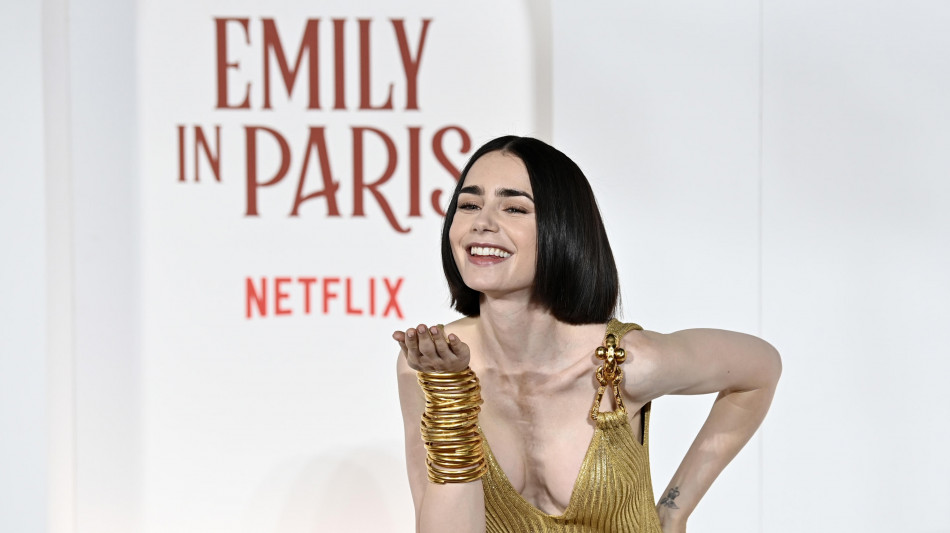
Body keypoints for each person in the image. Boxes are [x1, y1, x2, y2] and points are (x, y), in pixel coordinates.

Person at [394, 136, 781, 533]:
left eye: (514, 208)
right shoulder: (429, 365)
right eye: (469, 205)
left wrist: (673, 510)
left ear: (563, 228)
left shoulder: (629, 362)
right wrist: (450, 397)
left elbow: (760, 369)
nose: (482, 223)